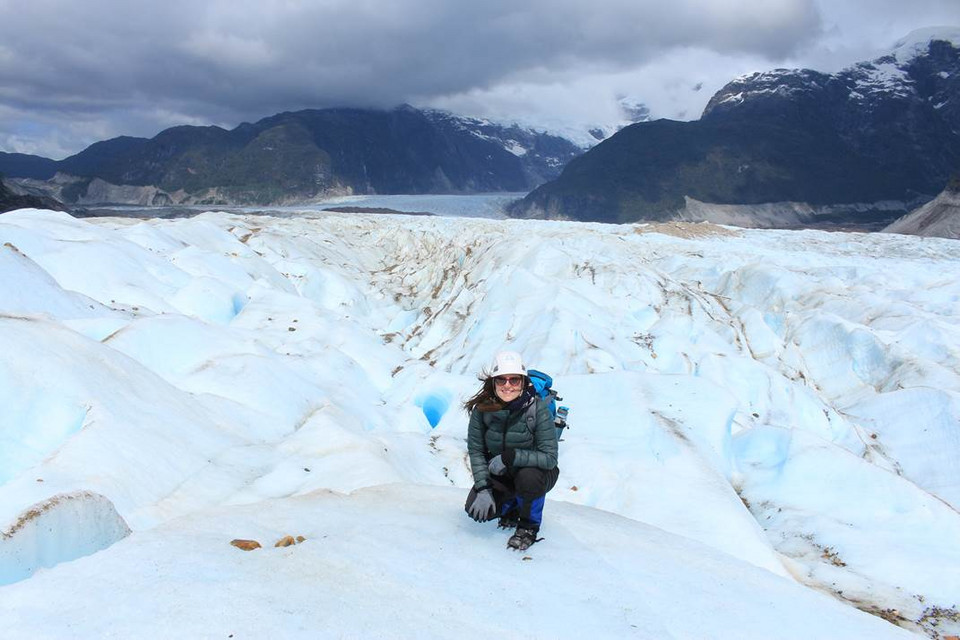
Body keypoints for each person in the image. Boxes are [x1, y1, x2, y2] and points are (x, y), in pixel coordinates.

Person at [463, 350, 560, 550]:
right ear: (493, 383)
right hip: (502, 473)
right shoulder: (482, 410)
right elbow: (476, 450)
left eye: (514, 380)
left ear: (523, 382)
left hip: (537, 473)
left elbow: (549, 458)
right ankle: (514, 504)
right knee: (477, 510)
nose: (508, 385)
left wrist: (510, 457)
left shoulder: (537, 409)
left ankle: (528, 526)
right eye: (501, 380)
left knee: (529, 478)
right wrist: (482, 488)